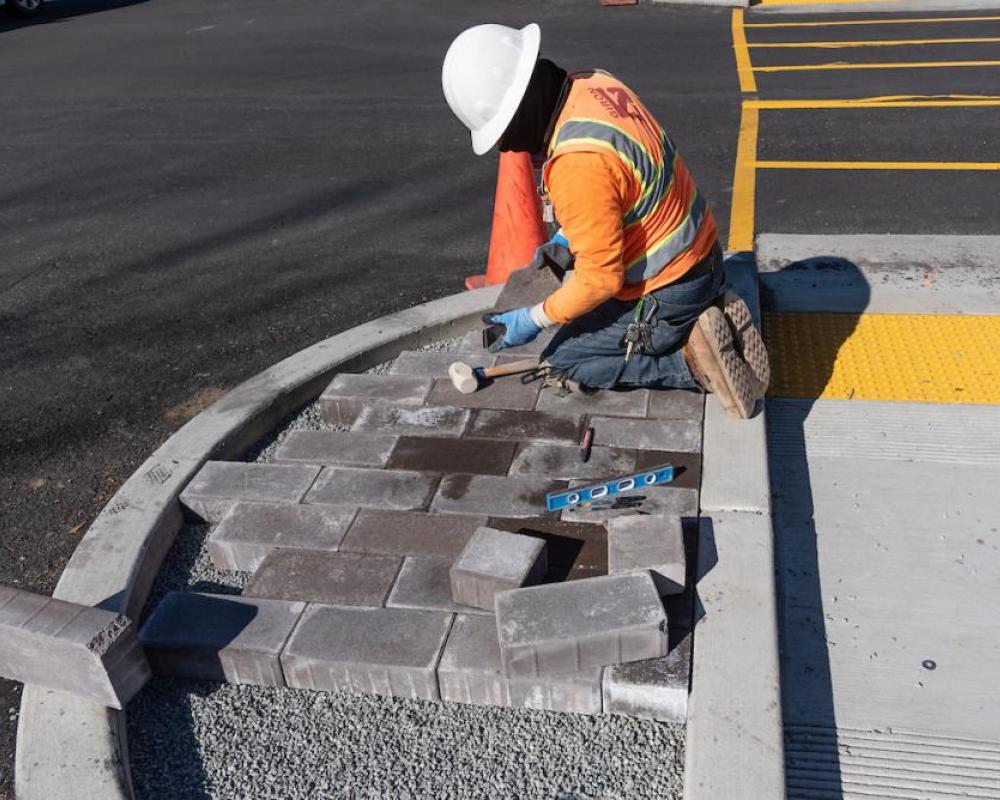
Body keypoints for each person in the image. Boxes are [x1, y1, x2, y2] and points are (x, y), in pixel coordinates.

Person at [441, 23, 769, 418]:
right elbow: (623, 184)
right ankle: (704, 313)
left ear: (518, 112)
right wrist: (569, 238)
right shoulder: (595, 85)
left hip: (669, 288)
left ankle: (693, 363)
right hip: (702, 254)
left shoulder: (576, 166)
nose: (506, 149)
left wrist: (533, 318)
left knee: (564, 360)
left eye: (502, 136)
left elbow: (601, 280)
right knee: (580, 305)